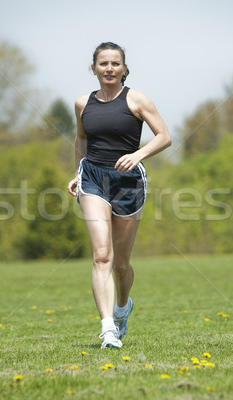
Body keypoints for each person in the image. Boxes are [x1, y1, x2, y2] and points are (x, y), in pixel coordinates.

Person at [67, 42, 172, 349]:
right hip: (94, 178)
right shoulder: (82, 103)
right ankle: (107, 329)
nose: (109, 69)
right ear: (94, 68)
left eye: (115, 64)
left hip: (128, 181)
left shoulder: (137, 99)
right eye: (103, 64)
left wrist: (138, 156)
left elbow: (164, 136)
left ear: (125, 68)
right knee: (102, 255)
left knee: (121, 264)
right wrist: (77, 172)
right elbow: (81, 138)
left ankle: (123, 308)